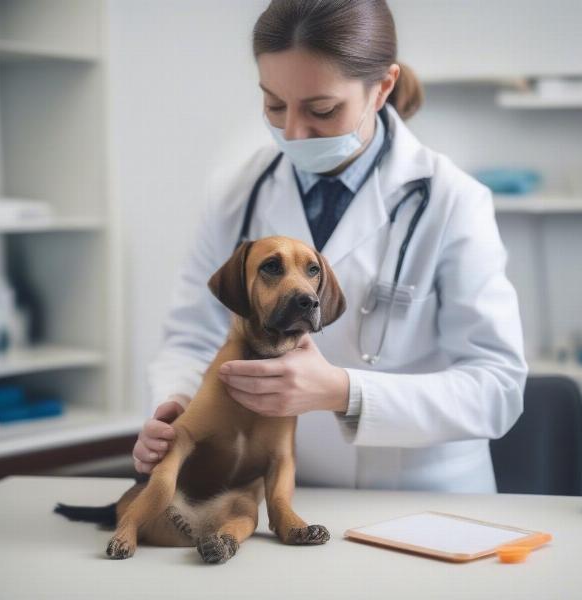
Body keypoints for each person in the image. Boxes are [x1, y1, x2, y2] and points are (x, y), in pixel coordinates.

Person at [133, 0, 527, 493]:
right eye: (274, 104)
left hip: (423, 497)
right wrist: (177, 401)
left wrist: (345, 392)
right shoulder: (236, 191)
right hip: (284, 491)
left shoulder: (452, 200)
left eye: (322, 109)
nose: (293, 132)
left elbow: (497, 388)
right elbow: (193, 338)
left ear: (381, 87)